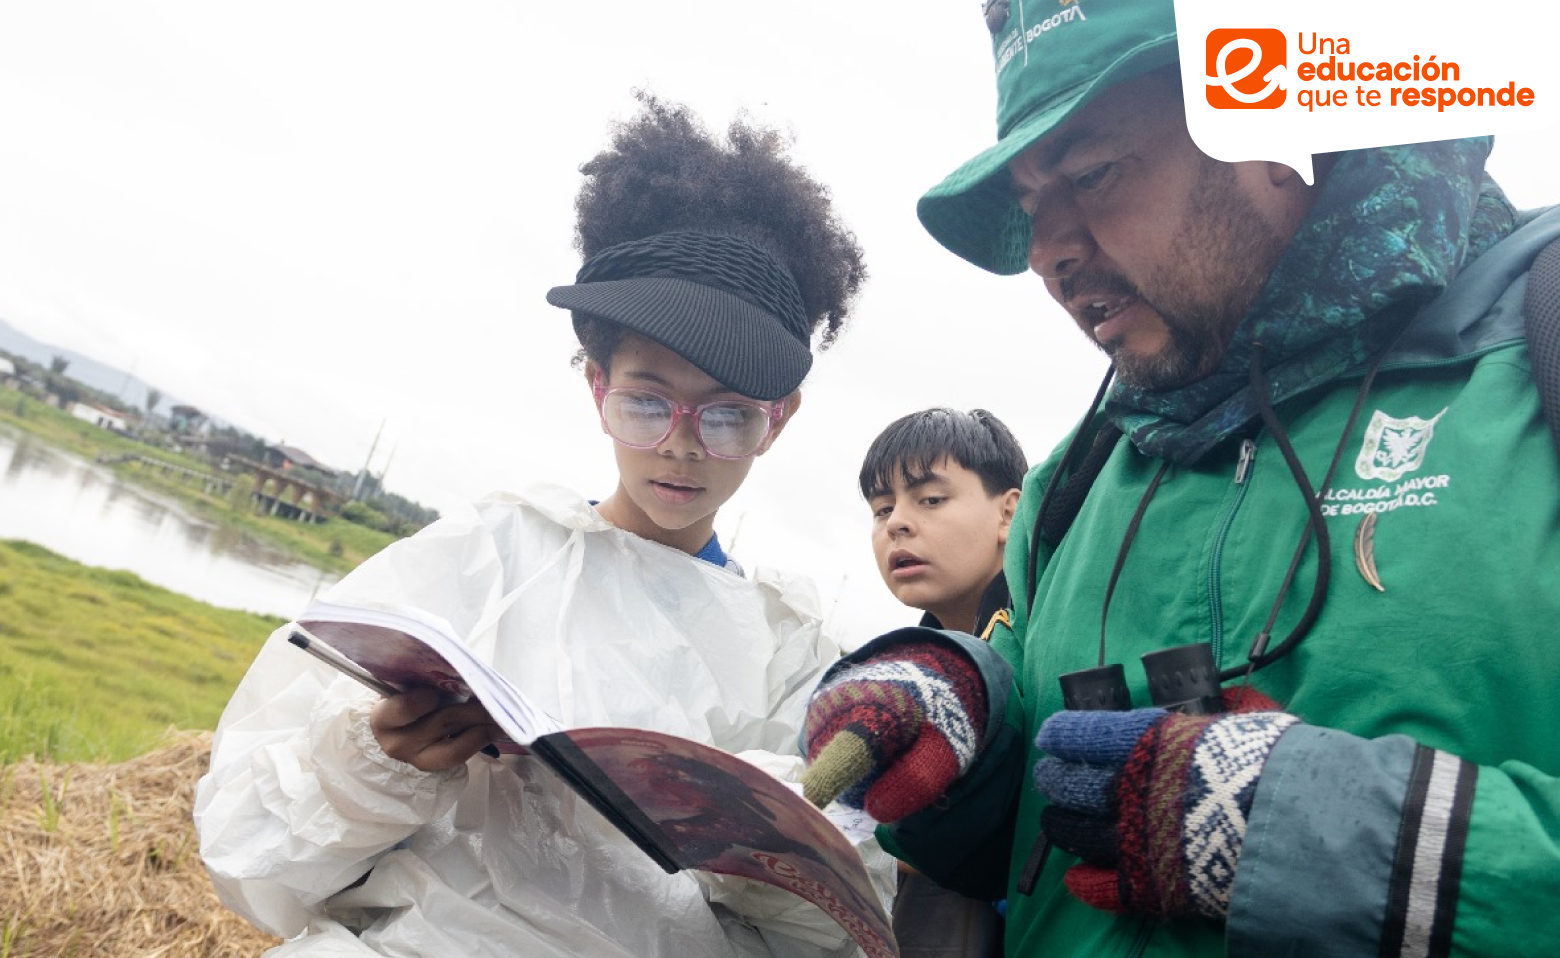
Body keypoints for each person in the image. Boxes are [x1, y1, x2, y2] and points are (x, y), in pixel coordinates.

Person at [799, 1, 1560, 956]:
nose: (1047, 253)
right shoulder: (1074, 481)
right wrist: (967, 733)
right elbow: (1036, 843)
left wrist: (1344, 844)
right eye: (1034, 208)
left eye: (1092, 174)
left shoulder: (1539, 347)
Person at [194, 95, 897, 958]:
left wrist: (754, 846)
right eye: (648, 401)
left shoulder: (789, 658)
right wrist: (374, 764)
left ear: (777, 422)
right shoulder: (494, 557)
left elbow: (842, 928)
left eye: (727, 417)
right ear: (597, 386)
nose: (682, 446)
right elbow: (251, 851)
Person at [859, 407, 1026, 958]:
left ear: (1010, 512)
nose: (897, 524)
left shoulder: (1043, 644)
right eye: (882, 508)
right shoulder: (904, 671)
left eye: (930, 499)